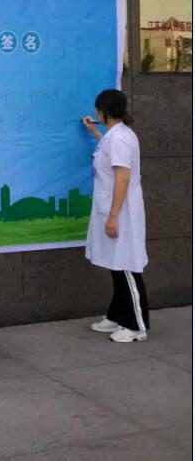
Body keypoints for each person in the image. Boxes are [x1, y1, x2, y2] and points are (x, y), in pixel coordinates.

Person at [82, 89, 149, 342]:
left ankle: (137, 326)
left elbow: (122, 177)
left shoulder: (119, 139)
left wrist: (113, 216)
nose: (95, 113)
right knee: (116, 265)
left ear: (104, 112)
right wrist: (95, 132)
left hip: (121, 211)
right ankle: (117, 315)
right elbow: (110, 155)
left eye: (98, 110)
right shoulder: (116, 136)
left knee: (127, 266)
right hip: (115, 208)